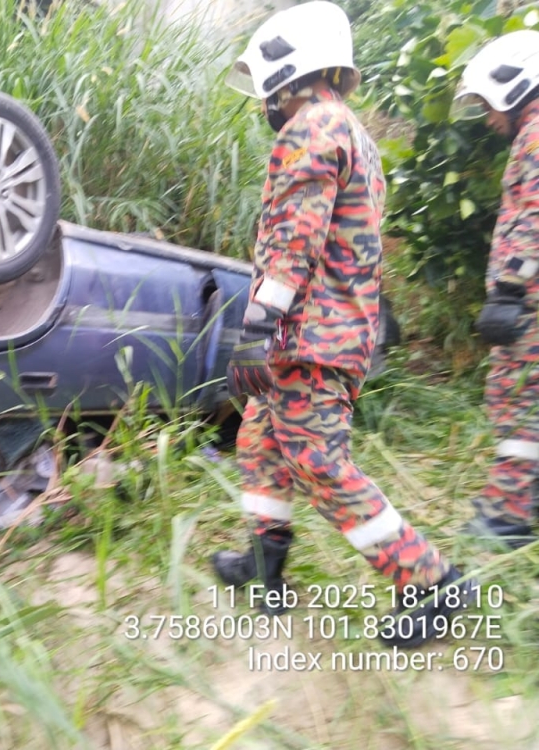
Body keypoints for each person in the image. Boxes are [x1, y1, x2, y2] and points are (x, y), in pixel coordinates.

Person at [214, 0, 474, 648]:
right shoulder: (351, 129)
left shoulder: (311, 127)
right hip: (329, 330)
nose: (266, 101)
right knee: (259, 442)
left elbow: (294, 237)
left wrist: (258, 323)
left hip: (312, 334)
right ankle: (264, 564)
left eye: (268, 87)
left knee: (317, 460)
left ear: (288, 71)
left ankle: (431, 580)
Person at [451, 30, 539, 549]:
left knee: (515, 399)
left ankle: (507, 517)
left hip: (529, 302)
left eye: (487, 105)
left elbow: (533, 218)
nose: (488, 119)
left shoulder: (534, 136)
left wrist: (508, 290)